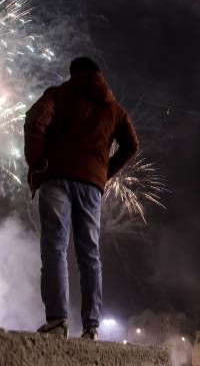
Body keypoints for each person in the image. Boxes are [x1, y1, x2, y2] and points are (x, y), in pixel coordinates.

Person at [24, 57, 139, 339]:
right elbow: (132, 145)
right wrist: (103, 173)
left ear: (73, 73)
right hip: (92, 186)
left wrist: (37, 161)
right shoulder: (116, 109)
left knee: (55, 247)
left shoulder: (58, 94)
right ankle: (91, 326)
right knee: (89, 253)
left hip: (56, 177)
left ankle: (57, 320)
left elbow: (35, 122)